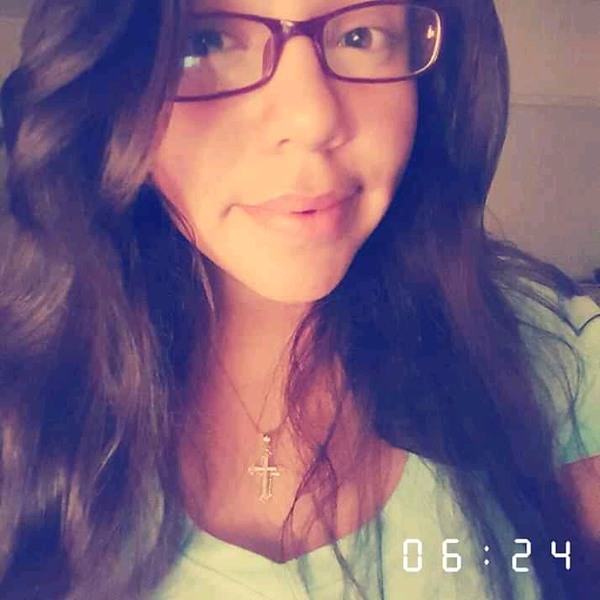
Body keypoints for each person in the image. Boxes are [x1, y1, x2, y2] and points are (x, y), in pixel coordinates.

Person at [0, 0, 598, 598]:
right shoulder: (22, 403)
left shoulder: (553, 360)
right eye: (205, 42)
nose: (314, 119)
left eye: (361, 36)